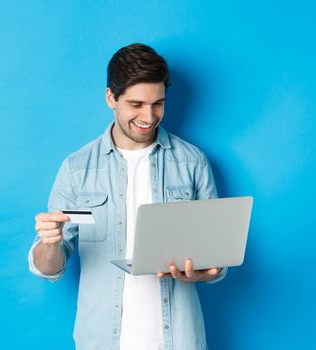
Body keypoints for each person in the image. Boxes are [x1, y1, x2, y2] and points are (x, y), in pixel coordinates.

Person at [29, 43, 227, 350]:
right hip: (101, 341)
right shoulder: (77, 168)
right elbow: (49, 268)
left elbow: (217, 259)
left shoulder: (193, 162)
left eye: (158, 103)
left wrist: (204, 272)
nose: (149, 116)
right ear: (111, 98)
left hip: (179, 340)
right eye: (136, 104)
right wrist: (49, 244)